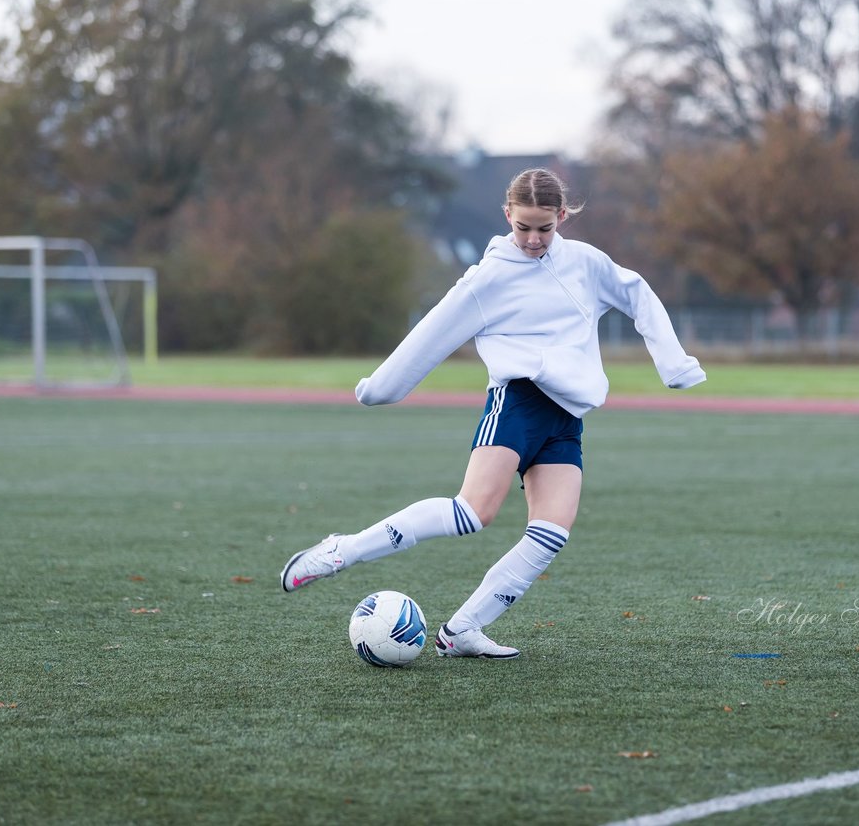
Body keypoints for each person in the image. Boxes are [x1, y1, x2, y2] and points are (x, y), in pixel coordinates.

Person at [280, 167, 705, 659]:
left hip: (566, 416)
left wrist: (674, 364)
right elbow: (433, 333)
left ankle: (461, 631)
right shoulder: (490, 277)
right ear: (507, 215)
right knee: (472, 513)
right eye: (523, 226)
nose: (532, 238)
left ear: (562, 216)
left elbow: (638, 294)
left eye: (544, 227)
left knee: (550, 534)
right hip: (518, 402)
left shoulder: (587, 264)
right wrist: (380, 389)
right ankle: (343, 550)